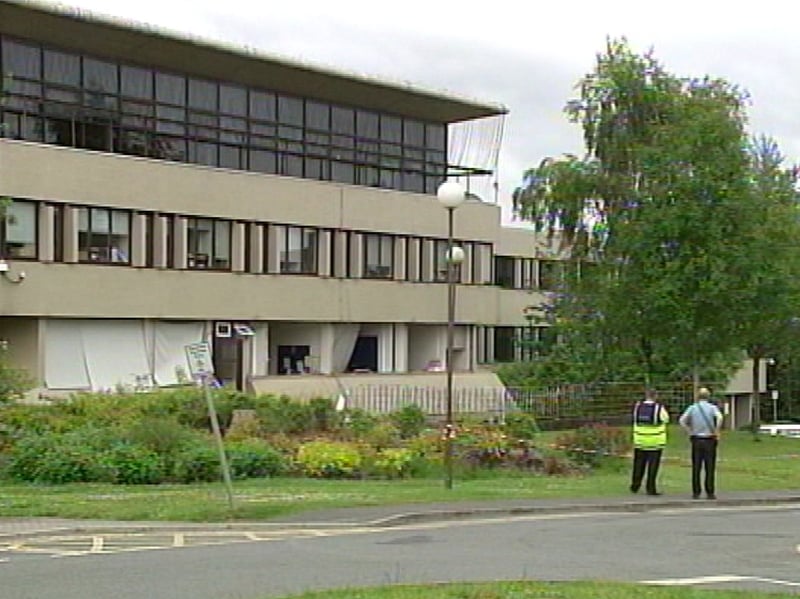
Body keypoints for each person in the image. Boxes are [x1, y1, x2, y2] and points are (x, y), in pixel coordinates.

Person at [679, 387, 724, 500]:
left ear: (698, 396)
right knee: (710, 467)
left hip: (696, 439)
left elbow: (682, 420)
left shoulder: (692, 408)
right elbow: (719, 418)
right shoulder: (712, 408)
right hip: (709, 439)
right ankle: (710, 491)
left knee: (696, 466)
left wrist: (689, 431)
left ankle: (696, 492)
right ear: (708, 397)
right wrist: (716, 430)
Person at [630, 388, 669, 496]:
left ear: (646, 395)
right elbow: (666, 419)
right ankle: (650, 488)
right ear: (655, 396)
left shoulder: (638, 407)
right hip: (655, 442)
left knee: (638, 464)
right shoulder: (658, 408)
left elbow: (634, 419)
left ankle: (635, 485)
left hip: (640, 441)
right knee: (653, 466)